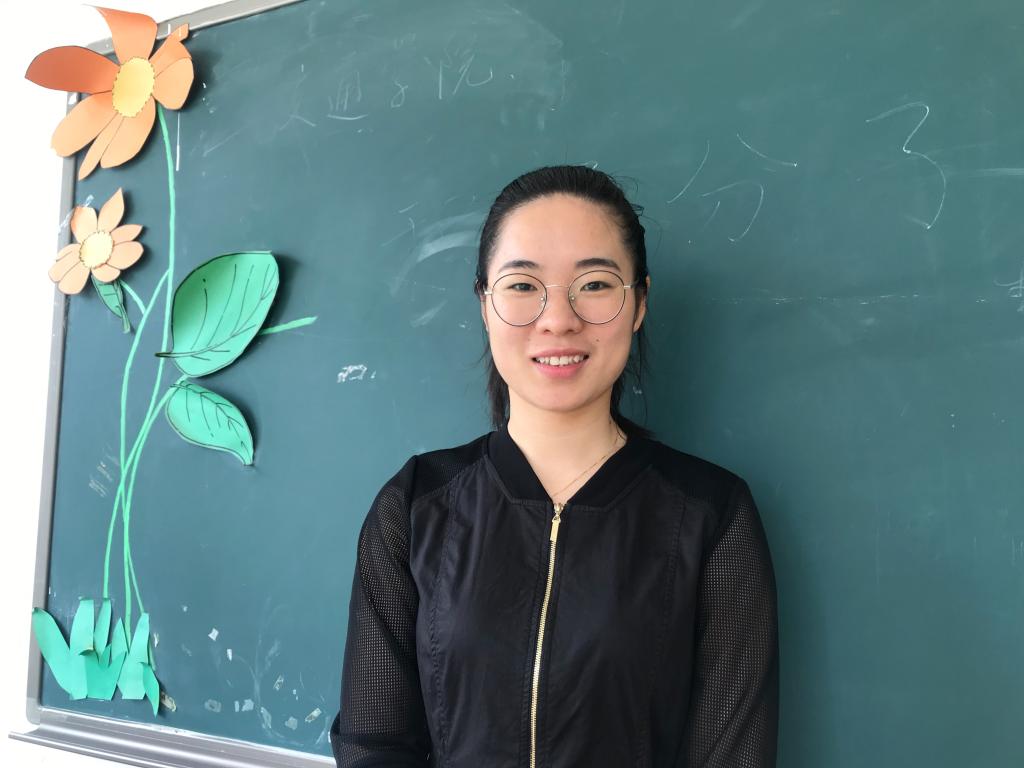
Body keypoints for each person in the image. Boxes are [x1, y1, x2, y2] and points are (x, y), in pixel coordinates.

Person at [329, 165, 780, 767]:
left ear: (639, 303)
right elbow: (374, 744)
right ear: (484, 303)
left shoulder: (712, 514)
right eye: (522, 285)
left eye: (594, 284)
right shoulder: (415, 504)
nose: (558, 318)